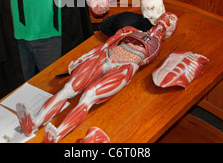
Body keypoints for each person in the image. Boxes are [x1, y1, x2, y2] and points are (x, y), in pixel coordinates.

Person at [16, 11, 179, 142]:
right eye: (167, 15)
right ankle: (34, 123)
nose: (167, 19)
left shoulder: (157, 47)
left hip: (125, 68)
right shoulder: (130, 30)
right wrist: (83, 58)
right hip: (107, 56)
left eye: (171, 20)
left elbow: (144, 61)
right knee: (68, 89)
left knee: (89, 96)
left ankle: (57, 134)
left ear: (170, 30)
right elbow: (105, 46)